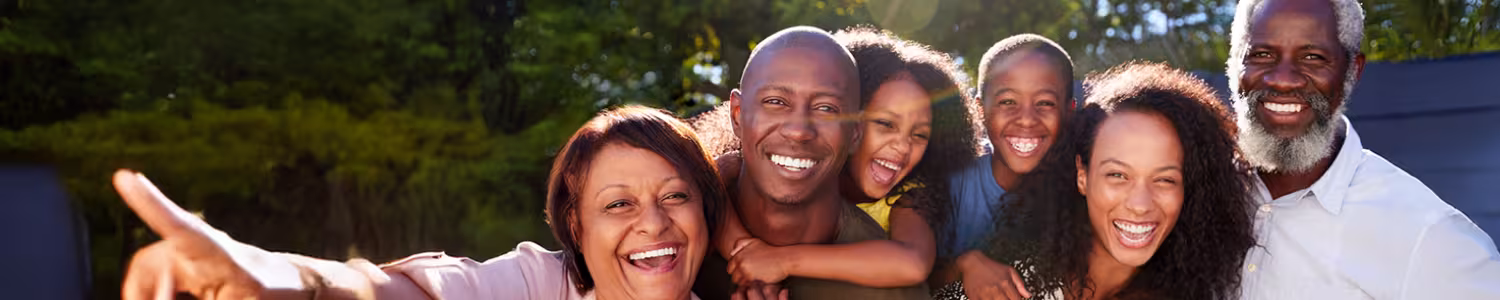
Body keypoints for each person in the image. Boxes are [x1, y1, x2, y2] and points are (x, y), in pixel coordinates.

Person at [113, 105, 727, 300]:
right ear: (574, 220)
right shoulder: (539, 285)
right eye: (618, 204)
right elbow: (402, 293)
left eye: (676, 196)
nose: (654, 224)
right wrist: (279, 278)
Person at [1227, 0, 1500, 299]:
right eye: (1261, 54)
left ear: (1352, 72)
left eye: (1313, 57)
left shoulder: (1421, 230)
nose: (1283, 80)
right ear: (1233, 64)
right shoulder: (1195, 188)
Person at [934, 62, 1255, 300]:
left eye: (1165, 180)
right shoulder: (1009, 282)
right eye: (1118, 175)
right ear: (1082, 176)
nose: (1140, 204)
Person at [705, 27, 978, 291]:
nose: (902, 146)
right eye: (884, 124)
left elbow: (912, 263)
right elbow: (708, 184)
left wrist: (782, 261)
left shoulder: (907, 199)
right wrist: (742, 251)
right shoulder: (777, 166)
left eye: (919, 135)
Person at [936, 33, 1077, 295]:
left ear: (1069, 112)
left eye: (1045, 103)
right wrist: (966, 264)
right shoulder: (951, 184)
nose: (1026, 119)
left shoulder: (1080, 191)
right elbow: (918, 278)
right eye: (1007, 102)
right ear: (980, 110)